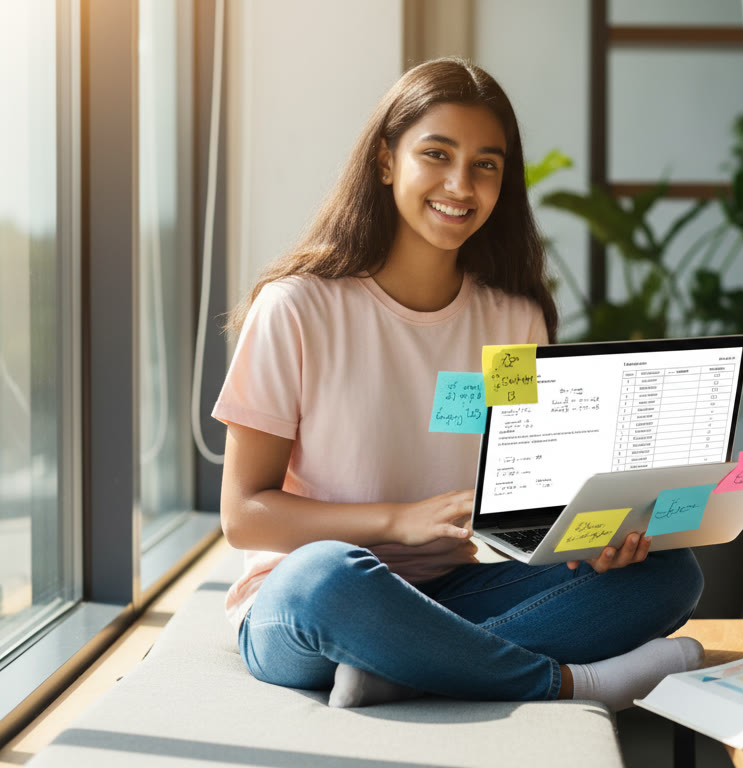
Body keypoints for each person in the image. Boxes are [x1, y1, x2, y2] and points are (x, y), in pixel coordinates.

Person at [215, 57, 704, 711]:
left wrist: (591, 540)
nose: (460, 184)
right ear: (385, 160)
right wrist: (397, 521)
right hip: (315, 601)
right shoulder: (296, 308)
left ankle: (403, 668)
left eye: (486, 165)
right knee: (325, 576)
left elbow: (526, 502)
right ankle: (571, 683)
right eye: (436, 154)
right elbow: (243, 515)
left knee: (670, 573)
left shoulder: (513, 319)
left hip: (454, 593)